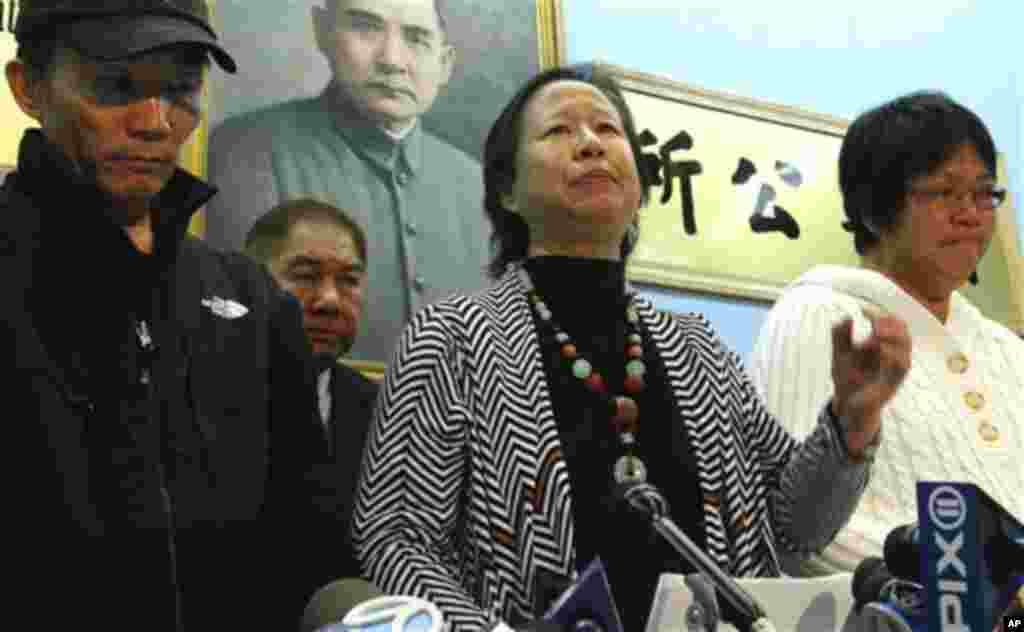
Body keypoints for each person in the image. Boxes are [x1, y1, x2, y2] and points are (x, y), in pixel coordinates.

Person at [351, 64, 912, 631]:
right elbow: (395, 536)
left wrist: (852, 419)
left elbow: (796, 530)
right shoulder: (451, 336)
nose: (591, 143)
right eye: (559, 132)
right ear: (507, 190)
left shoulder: (698, 347)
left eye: (608, 129)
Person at [1, 1, 337, 629]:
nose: (155, 122)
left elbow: (308, 532)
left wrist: (361, 608)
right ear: (29, 88)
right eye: (115, 86)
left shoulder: (252, 300)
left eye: (180, 89)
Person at [749, 91, 1024, 575]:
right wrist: (963, 585)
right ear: (875, 208)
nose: (972, 213)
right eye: (944, 192)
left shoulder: (1006, 349)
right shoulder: (818, 313)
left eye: (984, 193)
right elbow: (792, 525)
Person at [205, 0, 490, 364]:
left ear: (445, 63)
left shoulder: (476, 185)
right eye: (367, 27)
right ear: (322, 31)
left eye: (417, 38)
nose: (392, 60)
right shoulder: (246, 151)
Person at [245, 197, 379, 579]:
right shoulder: (207, 390)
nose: (330, 301)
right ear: (251, 280)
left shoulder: (382, 411)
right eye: (305, 276)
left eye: (349, 280)